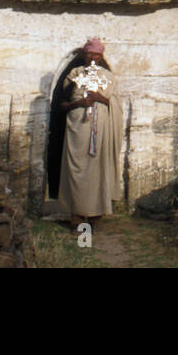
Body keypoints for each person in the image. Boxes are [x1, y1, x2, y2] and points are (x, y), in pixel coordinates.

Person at [56, 38, 124, 226]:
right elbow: (61, 104)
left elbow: (116, 104)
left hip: (100, 130)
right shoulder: (74, 74)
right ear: (84, 55)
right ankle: (76, 215)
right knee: (76, 169)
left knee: (96, 170)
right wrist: (78, 103)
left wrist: (100, 97)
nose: (92, 57)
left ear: (101, 57)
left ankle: (94, 214)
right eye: (89, 53)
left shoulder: (108, 78)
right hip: (78, 129)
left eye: (96, 54)